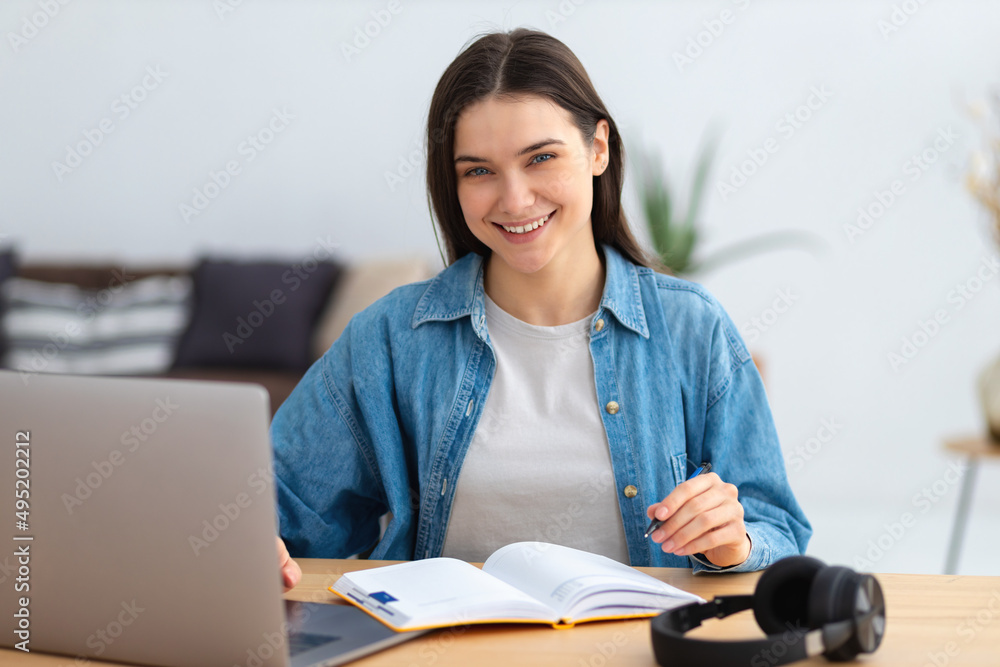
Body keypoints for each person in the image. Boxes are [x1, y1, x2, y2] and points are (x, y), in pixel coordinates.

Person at [273, 28, 811, 592]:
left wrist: (734, 544)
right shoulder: (390, 337)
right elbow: (280, 511)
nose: (515, 199)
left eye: (541, 158)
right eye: (478, 170)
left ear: (598, 148)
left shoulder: (692, 328)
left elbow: (778, 533)